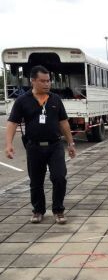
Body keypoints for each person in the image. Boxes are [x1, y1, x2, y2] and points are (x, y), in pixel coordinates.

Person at [5, 65, 76, 224]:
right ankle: (38, 210)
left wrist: (71, 143)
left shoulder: (55, 100)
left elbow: (63, 123)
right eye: (43, 81)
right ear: (33, 81)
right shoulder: (22, 101)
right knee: (36, 181)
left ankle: (58, 210)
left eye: (48, 80)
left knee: (59, 177)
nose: (47, 84)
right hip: (34, 147)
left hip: (55, 146)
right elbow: (12, 123)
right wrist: (8, 144)